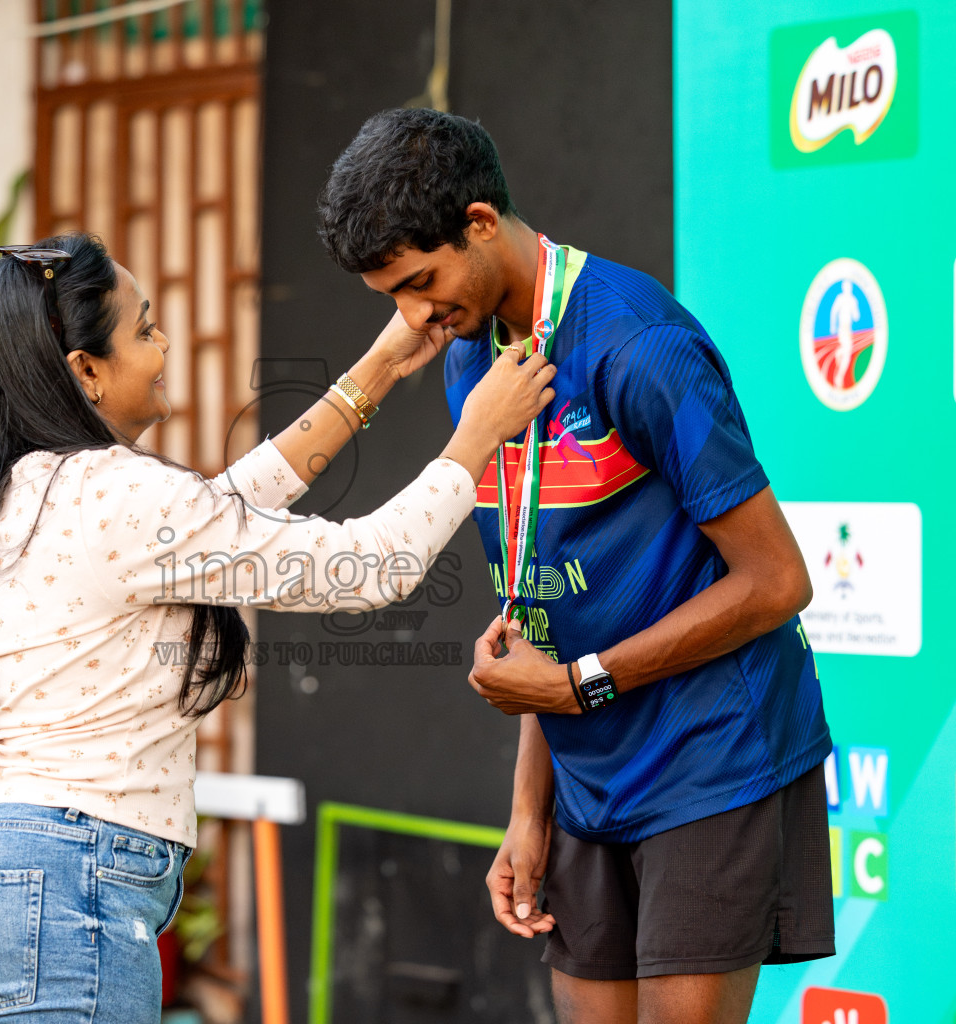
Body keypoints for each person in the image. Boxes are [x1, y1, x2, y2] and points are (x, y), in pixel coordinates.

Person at [0, 231, 556, 1023]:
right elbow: (371, 565)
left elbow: (228, 510)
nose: (165, 343)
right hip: (64, 882)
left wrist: (381, 367)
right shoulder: (111, 494)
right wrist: (477, 436)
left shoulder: (22, 487)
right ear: (86, 373)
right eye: (143, 329)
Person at [317, 109, 833, 1024]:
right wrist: (528, 810)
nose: (415, 316)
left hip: (711, 755)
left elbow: (777, 582)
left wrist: (580, 684)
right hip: (586, 771)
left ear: (480, 223)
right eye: (391, 296)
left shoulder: (638, 344)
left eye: (421, 282)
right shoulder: (471, 356)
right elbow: (539, 611)